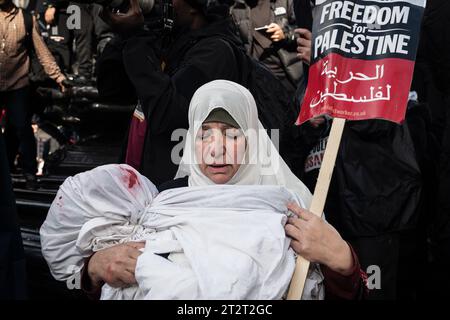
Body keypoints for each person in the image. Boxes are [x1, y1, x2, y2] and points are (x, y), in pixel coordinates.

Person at [82, 80, 367, 300]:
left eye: (232, 134)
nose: (217, 150)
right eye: (204, 133)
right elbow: (120, 283)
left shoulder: (291, 206)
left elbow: (346, 292)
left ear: (253, 139)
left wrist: (343, 262)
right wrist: (94, 271)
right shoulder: (165, 203)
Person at [0, 0, 66, 189]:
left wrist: (59, 77)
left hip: (17, 84)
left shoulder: (26, 19)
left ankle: (29, 173)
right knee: (10, 130)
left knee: (22, 127)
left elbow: (42, 52)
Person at [230, 0, 303, 96]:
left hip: (290, 77)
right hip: (260, 79)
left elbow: (307, 31)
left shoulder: (285, 2)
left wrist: (285, 34)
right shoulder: (237, 8)